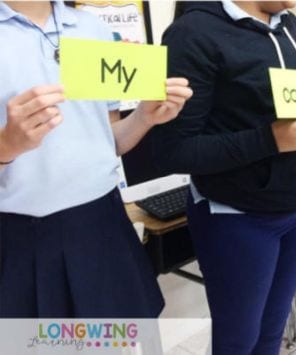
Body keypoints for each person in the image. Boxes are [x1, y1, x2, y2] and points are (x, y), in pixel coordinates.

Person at [150, 1, 296, 353]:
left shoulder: (290, 24)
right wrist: (271, 139)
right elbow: (175, 150)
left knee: (272, 331)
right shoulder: (193, 33)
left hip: (295, 210)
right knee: (238, 341)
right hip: (236, 218)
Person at [0, 0, 192, 317]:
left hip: (104, 219)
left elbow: (110, 141)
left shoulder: (93, 29)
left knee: (113, 342)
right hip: (19, 238)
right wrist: (7, 145)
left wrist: (145, 116)